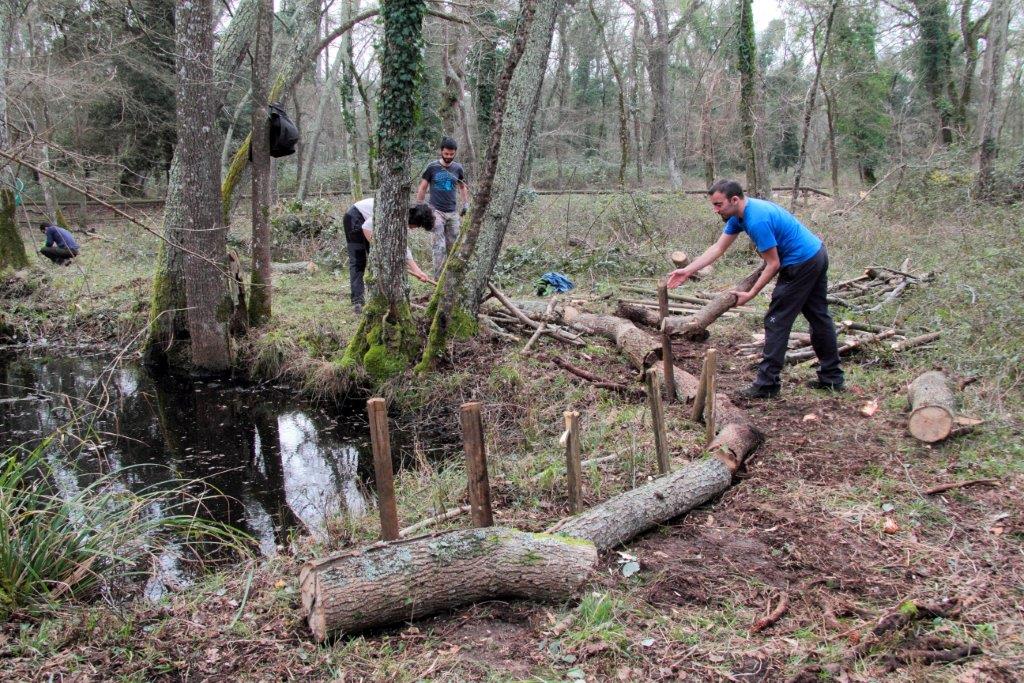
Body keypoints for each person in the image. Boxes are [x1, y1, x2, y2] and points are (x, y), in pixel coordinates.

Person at [667, 180, 844, 398]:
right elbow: (719, 247)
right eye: (713, 205)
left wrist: (751, 293)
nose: (715, 210)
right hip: (815, 253)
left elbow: (773, 264)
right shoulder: (737, 215)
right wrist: (687, 270)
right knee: (818, 316)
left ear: (735, 199)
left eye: (718, 204)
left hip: (802, 263)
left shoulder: (756, 219)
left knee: (777, 319)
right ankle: (832, 378)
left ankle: (767, 385)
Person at [342, 198, 434, 314]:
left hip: (368, 223)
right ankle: (358, 302)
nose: (414, 229)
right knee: (358, 261)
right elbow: (367, 226)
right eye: (417, 226)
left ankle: (381, 297)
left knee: (379, 262)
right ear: (414, 219)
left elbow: (402, 246)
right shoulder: (394, 214)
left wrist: (417, 271)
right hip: (355, 217)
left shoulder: (402, 218)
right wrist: (379, 250)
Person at [416, 136, 470, 278]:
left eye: (451, 154)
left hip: (452, 213)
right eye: (446, 154)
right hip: (436, 211)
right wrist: (420, 206)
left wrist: (466, 204)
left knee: (454, 248)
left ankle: (452, 280)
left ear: (455, 153)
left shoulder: (458, 168)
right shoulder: (432, 167)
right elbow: (422, 187)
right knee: (439, 247)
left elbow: (463, 187)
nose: (448, 157)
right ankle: (438, 280)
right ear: (441, 151)